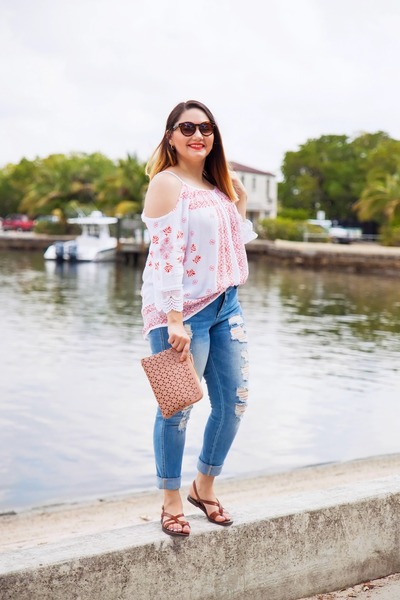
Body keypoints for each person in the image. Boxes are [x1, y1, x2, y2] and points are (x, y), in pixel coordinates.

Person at [141, 99, 257, 537]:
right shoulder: (166, 183)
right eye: (187, 128)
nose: (197, 135)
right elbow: (166, 256)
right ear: (170, 136)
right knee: (177, 407)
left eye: (205, 128)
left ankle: (202, 487)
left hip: (227, 306)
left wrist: (239, 202)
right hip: (179, 313)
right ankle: (170, 499)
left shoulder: (215, 184)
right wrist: (174, 319)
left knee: (234, 403)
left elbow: (232, 245)